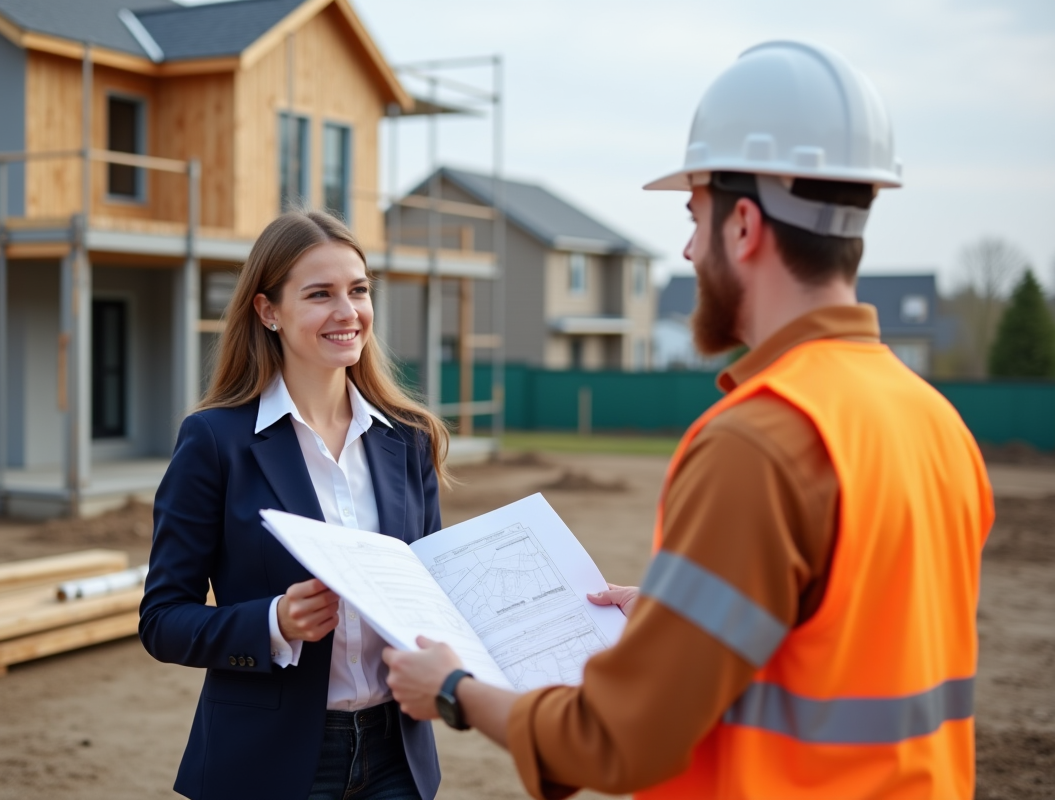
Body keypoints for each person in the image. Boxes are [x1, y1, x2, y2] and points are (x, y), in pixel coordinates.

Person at [382, 41, 994, 799]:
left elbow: (614, 741)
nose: (687, 247)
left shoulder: (761, 440)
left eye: (693, 216)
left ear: (743, 225)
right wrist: (680, 621)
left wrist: (454, 689)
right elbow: (854, 644)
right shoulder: (934, 421)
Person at [140, 210, 448, 800]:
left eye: (358, 290)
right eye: (319, 294)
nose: (347, 312)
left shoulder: (409, 438)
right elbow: (162, 621)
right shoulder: (214, 442)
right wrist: (273, 622)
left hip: (397, 759)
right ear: (268, 311)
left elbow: (434, 596)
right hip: (268, 763)